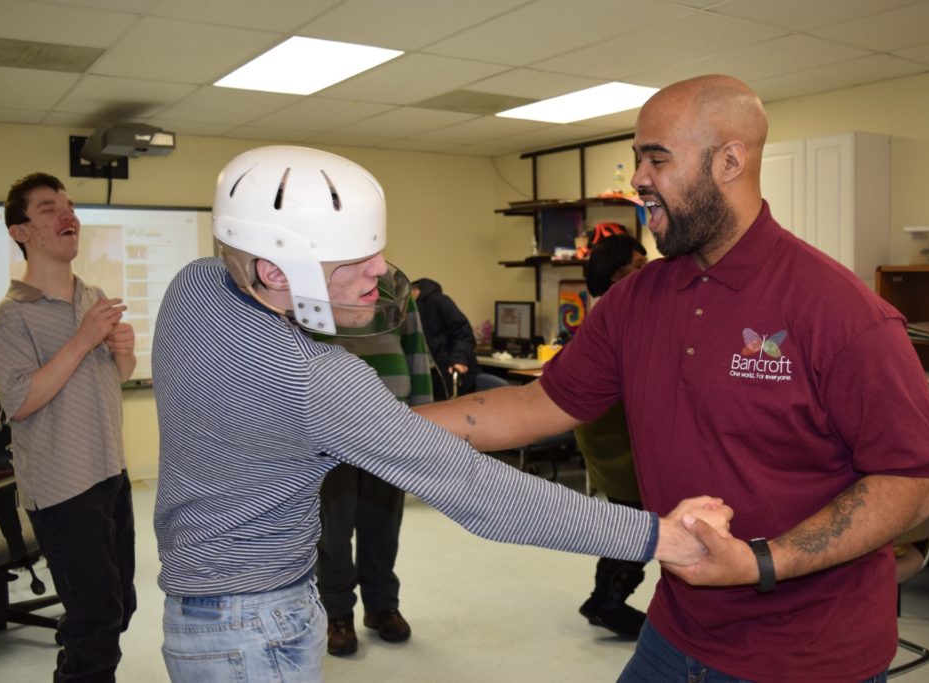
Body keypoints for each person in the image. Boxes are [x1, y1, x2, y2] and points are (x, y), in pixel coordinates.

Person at [416, 75, 929, 682]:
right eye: (637, 157)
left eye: (656, 158)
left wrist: (760, 563)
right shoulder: (635, 299)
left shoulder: (842, 312)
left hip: (808, 656)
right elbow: (535, 405)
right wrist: (368, 427)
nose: (638, 178)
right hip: (676, 630)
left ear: (728, 161)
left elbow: (913, 481)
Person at [150, 145, 732, 683]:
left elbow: (343, 427)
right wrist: (656, 536)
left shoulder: (195, 287)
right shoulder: (315, 379)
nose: (381, 270)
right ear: (275, 272)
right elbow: (482, 493)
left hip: (196, 614)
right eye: (355, 259)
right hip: (257, 629)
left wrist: (384, 428)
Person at [0, 173, 137, 682]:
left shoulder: (90, 294)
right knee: (95, 620)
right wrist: (82, 339)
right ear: (20, 231)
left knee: (120, 607)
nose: (67, 216)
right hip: (62, 492)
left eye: (70, 207)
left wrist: (124, 354)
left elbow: (107, 383)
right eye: (49, 209)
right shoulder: (12, 316)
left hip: (110, 475)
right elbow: (22, 401)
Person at [314, 292, 433, 656]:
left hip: (390, 423)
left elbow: (416, 351)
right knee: (333, 530)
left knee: (383, 526)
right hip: (331, 424)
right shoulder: (311, 288)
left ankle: (381, 606)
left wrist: (424, 417)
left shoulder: (397, 290)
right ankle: (337, 614)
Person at [574, 233, 649, 638]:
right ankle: (607, 602)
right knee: (637, 523)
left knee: (629, 520)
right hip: (616, 436)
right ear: (615, 270)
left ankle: (604, 599)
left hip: (611, 433)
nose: (645, 272)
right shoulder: (619, 314)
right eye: (636, 266)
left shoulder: (605, 310)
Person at [411, 278, 481, 399]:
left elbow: (463, 333)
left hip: (450, 370)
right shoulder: (408, 311)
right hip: (427, 374)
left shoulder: (436, 301)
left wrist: (459, 358)